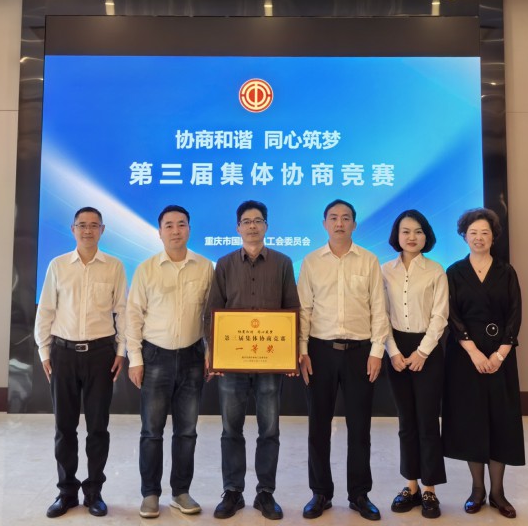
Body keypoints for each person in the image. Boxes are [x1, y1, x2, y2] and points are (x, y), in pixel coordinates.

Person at [206, 200, 300, 520]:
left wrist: (291, 353)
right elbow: (213, 310)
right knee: (231, 429)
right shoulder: (224, 264)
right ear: (238, 228)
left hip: (271, 362)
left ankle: (265, 493)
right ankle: (233, 492)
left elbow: (292, 308)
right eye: (246, 221)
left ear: (266, 226)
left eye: (258, 220)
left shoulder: (283, 263)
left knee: (269, 430)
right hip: (232, 362)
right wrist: (214, 352)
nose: (252, 226)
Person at [298, 199, 389, 521]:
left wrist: (377, 352)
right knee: (318, 425)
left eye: (346, 218)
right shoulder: (311, 261)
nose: (339, 223)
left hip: (360, 353)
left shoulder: (369, 260)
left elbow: (379, 309)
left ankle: (359, 494)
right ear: (324, 224)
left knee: (360, 427)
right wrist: (303, 351)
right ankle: (320, 493)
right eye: (334, 218)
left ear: (354, 224)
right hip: (320, 352)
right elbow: (304, 310)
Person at [34, 206, 127, 518]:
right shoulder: (58, 265)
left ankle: (94, 492)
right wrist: (44, 352)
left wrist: (121, 351)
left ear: (103, 230)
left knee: (98, 427)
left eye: (94, 225)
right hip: (63, 354)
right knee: (65, 427)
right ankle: (66, 492)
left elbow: (122, 311)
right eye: (82, 225)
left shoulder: (114, 266)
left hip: (102, 355)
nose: (88, 230)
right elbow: (46, 310)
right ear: (73, 229)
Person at [127, 205, 214, 519]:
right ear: (160, 231)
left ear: (189, 228)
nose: (176, 230)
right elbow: (133, 315)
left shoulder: (206, 267)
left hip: (192, 357)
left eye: (181, 224)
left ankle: (180, 492)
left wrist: (210, 352)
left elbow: (210, 316)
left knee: (187, 431)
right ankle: (150, 494)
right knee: (151, 431)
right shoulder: (147, 269)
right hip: (155, 357)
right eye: (169, 225)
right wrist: (135, 359)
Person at [442, 208, 524, 520]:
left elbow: (515, 313)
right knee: (471, 420)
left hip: (501, 356)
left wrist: (500, 354)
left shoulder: (507, 271)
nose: (479, 238)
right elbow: (452, 315)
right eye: (473, 233)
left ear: (493, 237)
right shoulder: (454, 272)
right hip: (465, 357)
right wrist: (473, 352)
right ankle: (477, 489)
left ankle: (498, 492)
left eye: (485, 233)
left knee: (501, 420)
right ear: (464, 236)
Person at [382, 210, 448, 519]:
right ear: (396, 235)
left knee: (427, 421)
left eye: (418, 231)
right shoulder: (385, 271)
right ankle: (411, 486)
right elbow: (380, 315)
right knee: (406, 421)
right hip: (396, 349)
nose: (411, 237)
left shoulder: (436, 271)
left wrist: (422, 353)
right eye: (405, 231)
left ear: (426, 236)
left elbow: (440, 316)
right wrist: (393, 352)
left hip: (428, 350)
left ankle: (430, 489)